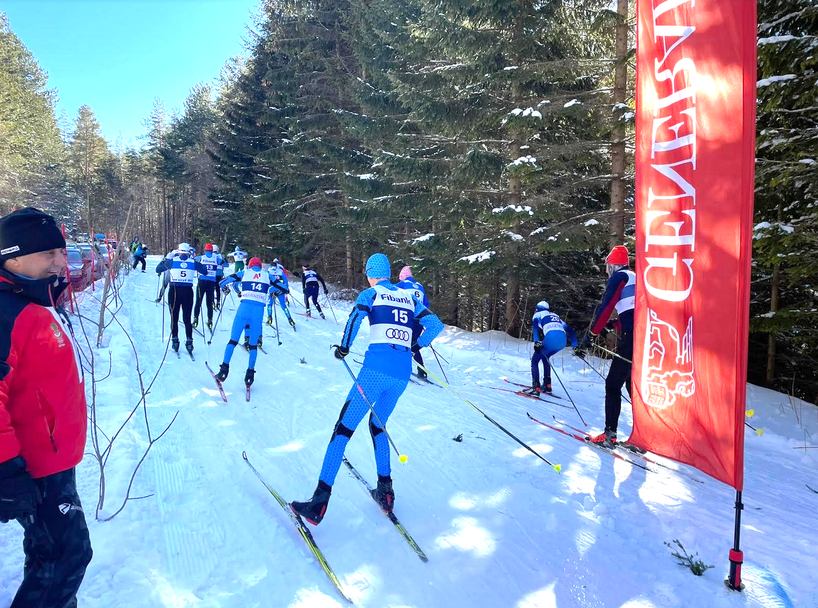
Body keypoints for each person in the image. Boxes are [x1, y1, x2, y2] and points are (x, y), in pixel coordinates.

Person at [290, 253, 443, 525]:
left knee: (342, 430)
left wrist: (344, 348)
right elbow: (435, 324)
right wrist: (414, 346)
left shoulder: (371, 294)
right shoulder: (408, 297)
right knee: (378, 426)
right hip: (401, 375)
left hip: (374, 373)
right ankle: (386, 491)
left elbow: (354, 320)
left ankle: (318, 503)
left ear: (371, 273)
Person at [0, 207, 93, 606]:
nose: (60, 262)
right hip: (32, 466)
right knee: (70, 554)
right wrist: (7, 468)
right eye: (49, 253)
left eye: (61, 250)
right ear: (14, 258)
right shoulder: (7, 311)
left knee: (48, 553)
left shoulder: (34, 297)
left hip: (53, 459)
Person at [579, 245, 635, 447]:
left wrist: (591, 335)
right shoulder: (636, 277)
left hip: (631, 337)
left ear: (613, 265)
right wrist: (614, 324)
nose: (606, 271)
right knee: (632, 386)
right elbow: (634, 311)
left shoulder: (619, 277)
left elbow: (606, 307)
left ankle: (609, 435)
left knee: (612, 384)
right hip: (645, 336)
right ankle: (644, 435)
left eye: (607, 266)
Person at [215, 258, 289, 387]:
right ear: (260, 266)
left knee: (233, 341)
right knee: (253, 345)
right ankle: (250, 376)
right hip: (258, 312)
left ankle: (223, 371)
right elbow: (284, 288)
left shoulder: (244, 273)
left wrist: (225, 289)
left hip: (244, 308)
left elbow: (223, 281)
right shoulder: (267, 275)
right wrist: (275, 291)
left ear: (250, 266)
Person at [155, 243, 208, 355]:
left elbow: (158, 269)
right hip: (187, 291)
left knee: (174, 317)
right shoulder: (193, 262)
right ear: (189, 252)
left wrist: (164, 260)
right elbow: (205, 271)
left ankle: (175, 340)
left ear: (178, 252)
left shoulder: (172, 261)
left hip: (174, 291)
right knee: (187, 318)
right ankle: (189, 341)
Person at [524, 301, 577, 396]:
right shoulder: (555, 316)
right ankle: (547, 385)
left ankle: (536, 388)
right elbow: (570, 330)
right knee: (545, 357)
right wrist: (575, 346)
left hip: (551, 338)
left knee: (535, 360)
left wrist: (536, 341)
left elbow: (535, 328)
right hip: (563, 341)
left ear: (537, 309)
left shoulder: (538, 314)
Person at [396, 265, 430, 379]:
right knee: (413, 344)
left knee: (402, 341)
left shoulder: (402, 284)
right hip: (419, 319)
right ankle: (422, 370)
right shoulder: (420, 286)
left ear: (403, 276)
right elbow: (426, 305)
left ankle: (401, 367)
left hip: (407, 318)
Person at [192, 244, 221, 331]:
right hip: (211, 283)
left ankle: (195, 320)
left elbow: (193, 261)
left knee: (198, 301)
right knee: (209, 303)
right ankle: (210, 321)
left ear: (205, 250)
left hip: (201, 282)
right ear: (212, 251)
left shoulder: (201, 257)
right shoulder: (216, 258)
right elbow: (225, 264)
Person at [266, 258, 296, 331]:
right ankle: (290, 319)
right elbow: (286, 281)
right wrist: (287, 289)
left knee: (269, 304)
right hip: (280, 290)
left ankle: (269, 317)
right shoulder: (280, 271)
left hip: (271, 290)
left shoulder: (268, 271)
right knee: (283, 305)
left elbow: (266, 281)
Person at [213, 245, 229, 310]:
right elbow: (226, 265)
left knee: (211, 289)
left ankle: (212, 302)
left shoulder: (210, 256)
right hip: (219, 274)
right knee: (218, 288)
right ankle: (218, 302)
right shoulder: (220, 256)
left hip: (212, 274)